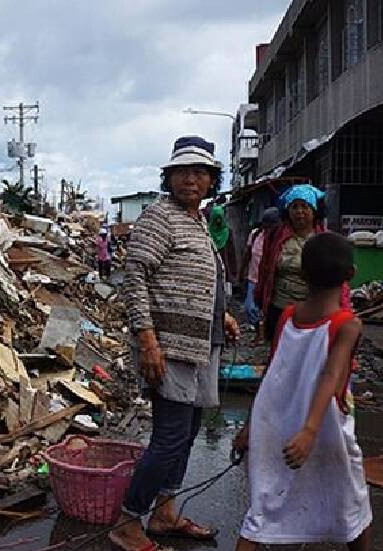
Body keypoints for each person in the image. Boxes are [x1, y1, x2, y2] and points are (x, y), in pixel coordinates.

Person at [112, 136, 240, 551]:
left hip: (199, 344)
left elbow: (192, 278)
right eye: (182, 172)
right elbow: (135, 279)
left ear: (212, 181)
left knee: (188, 432)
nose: (191, 179)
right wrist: (147, 341)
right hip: (168, 346)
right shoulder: (159, 217)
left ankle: (164, 513)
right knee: (169, 436)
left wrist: (221, 316)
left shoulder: (198, 220)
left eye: (200, 172)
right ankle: (127, 521)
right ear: (168, 178)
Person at [233, 232, 372, 550]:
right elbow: (331, 375)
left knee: (263, 509)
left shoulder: (287, 316)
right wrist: (310, 430)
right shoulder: (347, 324)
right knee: (351, 504)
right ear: (351, 274)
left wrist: (250, 426)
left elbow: (272, 374)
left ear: (302, 274)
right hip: (325, 429)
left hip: (277, 427)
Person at [255, 183, 349, 342]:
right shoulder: (276, 237)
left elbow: (339, 278)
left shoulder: (325, 239)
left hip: (315, 308)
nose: (299, 212)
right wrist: (259, 298)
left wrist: (343, 307)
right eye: (294, 207)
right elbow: (265, 268)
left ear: (314, 210)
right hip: (279, 307)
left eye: (305, 206)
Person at [240, 207, 280, 325]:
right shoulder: (255, 234)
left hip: (271, 281)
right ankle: (257, 328)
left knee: (266, 310)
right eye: (265, 225)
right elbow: (247, 254)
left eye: (271, 225)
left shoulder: (279, 239)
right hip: (254, 278)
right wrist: (241, 272)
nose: (267, 229)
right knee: (250, 307)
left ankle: (262, 330)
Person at [207, 204, 238, 283]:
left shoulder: (228, 232)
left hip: (227, 271)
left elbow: (232, 253)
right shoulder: (207, 233)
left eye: (220, 218)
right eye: (216, 218)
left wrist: (234, 273)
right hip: (211, 270)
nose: (218, 221)